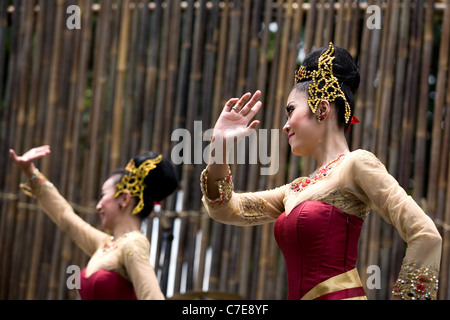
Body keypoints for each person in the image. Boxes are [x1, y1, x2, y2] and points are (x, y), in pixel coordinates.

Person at [200, 43, 442, 300]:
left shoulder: (356, 164)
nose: (285, 126)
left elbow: (426, 235)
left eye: (290, 110)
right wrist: (219, 148)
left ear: (323, 109)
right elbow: (225, 208)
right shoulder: (294, 190)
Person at [10, 145, 179, 300]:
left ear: (125, 198)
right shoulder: (107, 244)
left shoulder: (133, 245)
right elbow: (65, 216)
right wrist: (30, 170)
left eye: (103, 195)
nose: (98, 205)